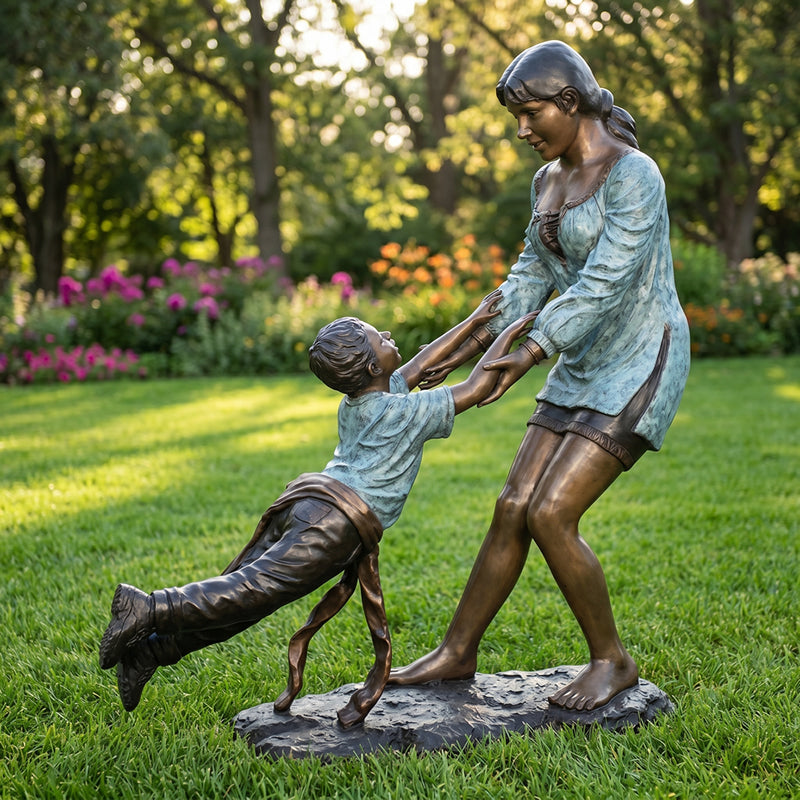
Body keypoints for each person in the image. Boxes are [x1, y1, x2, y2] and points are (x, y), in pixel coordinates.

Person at [389, 40, 691, 711]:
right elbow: (527, 279)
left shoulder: (634, 175)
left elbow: (606, 284)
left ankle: (612, 661)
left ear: (570, 102)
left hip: (641, 359)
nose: (522, 130)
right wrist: (450, 349)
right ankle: (456, 652)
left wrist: (528, 352)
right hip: (582, 359)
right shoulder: (547, 181)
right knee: (511, 507)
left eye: (531, 115)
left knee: (552, 512)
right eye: (516, 118)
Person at [98, 290, 537, 721]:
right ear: (372, 367)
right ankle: (148, 607)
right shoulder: (402, 413)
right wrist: (511, 337)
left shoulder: (363, 400)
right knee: (249, 591)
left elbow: (421, 364)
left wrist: (474, 322)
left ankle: (152, 651)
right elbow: (477, 386)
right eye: (380, 338)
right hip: (334, 524)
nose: (388, 335)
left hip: (310, 501)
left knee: (247, 598)